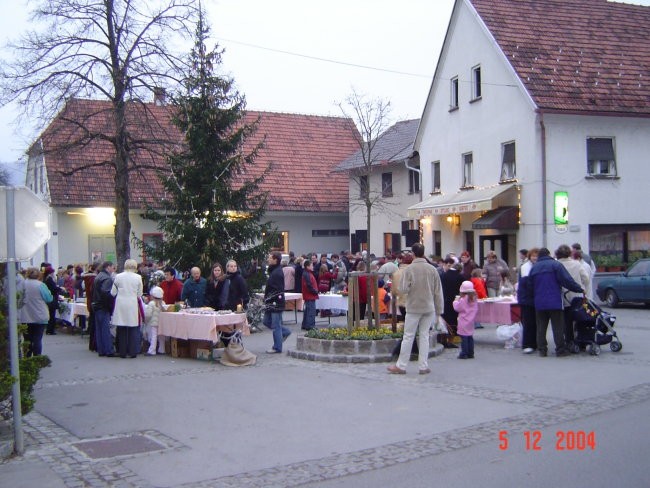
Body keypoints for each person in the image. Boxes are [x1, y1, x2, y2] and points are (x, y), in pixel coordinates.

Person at [387, 243, 443, 375]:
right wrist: (439, 310)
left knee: (408, 336)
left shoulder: (409, 269)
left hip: (413, 307)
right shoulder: (432, 269)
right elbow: (438, 292)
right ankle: (423, 366)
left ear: (413, 253)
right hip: (429, 307)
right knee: (424, 336)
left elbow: (403, 289)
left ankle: (401, 365)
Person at [529, 247, 583, 357]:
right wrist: (579, 289)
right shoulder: (556, 265)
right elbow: (566, 280)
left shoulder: (534, 268)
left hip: (539, 302)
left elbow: (529, 286)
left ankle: (542, 350)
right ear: (549, 254)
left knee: (541, 327)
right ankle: (560, 350)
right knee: (558, 326)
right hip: (554, 301)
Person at [556, 244, 590, 350]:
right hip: (577, 296)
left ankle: (569, 341)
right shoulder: (577, 264)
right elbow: (586, 278)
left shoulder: (556, 264)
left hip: (563, 297)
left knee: (567, 321)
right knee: (579, 318)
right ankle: (581, 340)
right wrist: (582, 287)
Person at [111, 259, 144, 358]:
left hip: (121, 303)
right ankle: (133, 352)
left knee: (121, 328)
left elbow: (113, 292)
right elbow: (140, 294)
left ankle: (122, 352)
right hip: (132, 303)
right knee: (133, 328)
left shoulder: (118, 276)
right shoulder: (138, 277)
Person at [18, 267, 53, 357]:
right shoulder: (40, 285)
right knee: (37, 339)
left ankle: (27, 357)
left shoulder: (22, 284)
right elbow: (49, 298)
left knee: (27, 339)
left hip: (25, 316)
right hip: (39, 315)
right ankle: (37, 357)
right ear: (38, 275)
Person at [263, 252, 291, 353]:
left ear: (275, 260)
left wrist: (271, 299)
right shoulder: (273, 271)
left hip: (276, 303)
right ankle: (286, 331)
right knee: (266, 321)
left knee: (276, 326)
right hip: (270, 302)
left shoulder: (277, 272)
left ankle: (277, 347)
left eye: (270, 258)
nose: (268, 259)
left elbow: (279, 290)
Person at [517, 248, 539, 354]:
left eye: (536, 256)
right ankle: (527, 344)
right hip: (527, 298)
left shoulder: (536, 266)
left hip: (534, 298)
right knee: (528, 322)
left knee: (535, 322)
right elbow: (527, 284)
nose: (535, 258)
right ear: (529, 256)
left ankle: (534, 343)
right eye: (533, 256)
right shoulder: (526, 267)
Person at [92, 261, 116, 357]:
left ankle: (101, 350)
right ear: (108, 267)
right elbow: (106, 294)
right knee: (105, 329)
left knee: (99, 329)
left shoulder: (98, 276)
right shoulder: (107, 278)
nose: (113, 269)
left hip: (97, 305)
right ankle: (108, 350)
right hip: (103, 306)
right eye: (112, 267)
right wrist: (111, 303)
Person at [440, 258, 464, 348]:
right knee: (453, 321)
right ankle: (451, 340)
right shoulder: (460, 277)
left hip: (445, 300)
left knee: (445, 321)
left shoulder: (443, 275)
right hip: (455, 301)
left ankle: (443, 339)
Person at [454, 281, 479, 359]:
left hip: (463, 320)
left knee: (464, 337)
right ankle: (471, 353)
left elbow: (458, 308)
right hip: (471, 320)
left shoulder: (463, 299)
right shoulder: (474, 299)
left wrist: (455, 301)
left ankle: (464, 353)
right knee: (470, 337)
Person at [144, 286, 166, 356]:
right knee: (161, 336)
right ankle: (162, 349)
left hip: (153, 323)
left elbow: (148, 314)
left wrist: (146, 320)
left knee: (154, 336)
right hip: (161, 323)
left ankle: (152, 350)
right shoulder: (163, 303)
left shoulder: (151, 304)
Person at [301, 259, 319, 330]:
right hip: (310, 295)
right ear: (307, 266)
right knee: (311, 311)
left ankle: (305, 325)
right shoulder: (307, 274)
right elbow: (308, 285)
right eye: (311, 265)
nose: (313, 266)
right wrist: (315, 291)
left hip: (309, 295)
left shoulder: (307, 273)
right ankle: (310, 326)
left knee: (307, 311)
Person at [43, 265, 60, 335]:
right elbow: (54, 289)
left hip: (50, 298)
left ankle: (49, 329)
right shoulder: (50, 279)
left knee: (50, 315)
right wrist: (59, 289)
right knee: (52, 315)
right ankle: (50, 330)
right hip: (52, 298)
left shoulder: (46, 279)